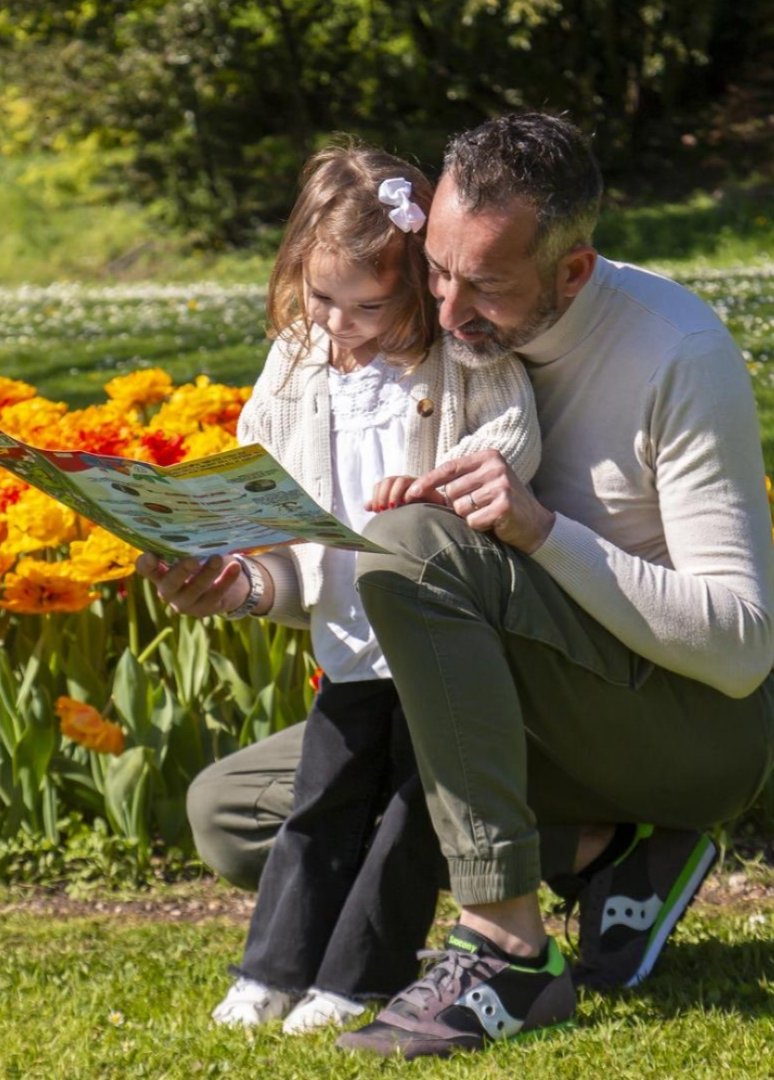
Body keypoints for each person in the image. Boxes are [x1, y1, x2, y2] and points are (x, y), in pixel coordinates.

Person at [328, 112, 774, 1060]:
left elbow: (741, 650)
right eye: (438, 271)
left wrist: (540, 530)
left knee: (418, 545)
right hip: (525, 709)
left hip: (685, 727)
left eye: (484, 284)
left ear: (573, 272)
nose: (447, 311)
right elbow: (367, 552)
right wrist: (243, 587)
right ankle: (612, 854)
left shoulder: (675, 352)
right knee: (244, 816)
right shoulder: (438, 336)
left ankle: (506, 951)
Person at [137, 141, 542, 1035]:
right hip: (351, 640)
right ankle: (270, 968)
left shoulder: (456, 361)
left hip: (439, 640)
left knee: (407, 819)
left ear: (416, 288)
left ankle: (357, 976)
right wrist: (231, 568)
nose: (341, 322)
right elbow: (266, 487)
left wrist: (454, 483)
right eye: (322, 297)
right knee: (321, 804)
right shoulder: (297, 367)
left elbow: (512, 428)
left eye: (370, 304)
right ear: (295, 272)